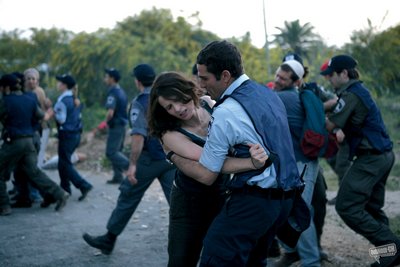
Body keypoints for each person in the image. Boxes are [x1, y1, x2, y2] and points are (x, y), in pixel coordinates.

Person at [167, 40, 304, 267]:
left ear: (225, 75)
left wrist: (173, 154)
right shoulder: (267, 93)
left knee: (216, 256)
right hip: (283, 201)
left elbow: (209, 169)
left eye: (205, 78)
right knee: (253, 260)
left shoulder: (226, 111)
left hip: (255, 201)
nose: (200, 85)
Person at [148, 71, 269, 267]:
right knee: (181, 260)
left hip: (222, 194)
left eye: (179, 99)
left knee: (223, 254)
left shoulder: (208, 104)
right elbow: (209, 164)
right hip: (189, 203)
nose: (178, 109)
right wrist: (251, 163)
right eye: (169, 106)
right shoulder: (170, 134)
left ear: (187, 90)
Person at [82, 64, 176, 255]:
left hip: (149, 159)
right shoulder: (165, 96)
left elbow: (138, 136)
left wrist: (132, 164)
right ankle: (198, 241)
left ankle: (109, 240)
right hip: (172, 158)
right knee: (178, 200)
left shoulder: (140, 102)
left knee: (128, 196)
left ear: (138, 81)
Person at [322, 55, 400, 267]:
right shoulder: (357, 92)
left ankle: (392, 246)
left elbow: (330, 125)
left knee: (346, 206)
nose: (330, 79)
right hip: (382, 155)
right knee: (372, 209)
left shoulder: (351, 95)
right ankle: (388, 255)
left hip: (371, 158)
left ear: (344, 74)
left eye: (332, 75)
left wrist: (311, 109)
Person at [272, 59, 321, 267]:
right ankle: (293, 252)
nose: (277, 80)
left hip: (303, 164)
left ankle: (311, 262)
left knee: (300, 210)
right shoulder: (290, 96)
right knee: (288, 209)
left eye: (283, 79)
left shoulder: (286, 98)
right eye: (277, 76)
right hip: (294, 164)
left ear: (295, 81)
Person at [0, 74, 69, 216]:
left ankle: (4, 205)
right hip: (29, 141)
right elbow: (42, 116)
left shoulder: (5, 101)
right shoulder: (30, 99)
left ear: (6, 87)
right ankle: (59, 193)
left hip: (14, 142)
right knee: (34, 172)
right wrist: (49, 113)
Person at [45, 74, 92, 203]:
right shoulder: (74, 99)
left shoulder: (62, 101)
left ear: (64, 85)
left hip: (67, 135)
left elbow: (61, 119)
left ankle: (83, 185)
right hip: (75, 134)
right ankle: (65, 189)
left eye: (59, 82)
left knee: (65, 164)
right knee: (63, 163)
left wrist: (52, 112)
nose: (57, 84)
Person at [103, 68, 129, 184]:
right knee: (118, 150)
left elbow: (110, 112)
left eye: (106, 77)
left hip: (116, 125)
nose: (105, 79)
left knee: (111, 152)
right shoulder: (121, 91)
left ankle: (132, 168)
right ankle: (118, 176)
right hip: (123, 125)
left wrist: (104, 123)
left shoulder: (113, 92)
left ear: (112, 79)